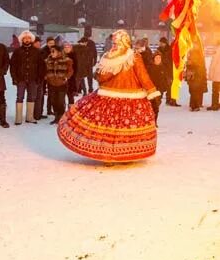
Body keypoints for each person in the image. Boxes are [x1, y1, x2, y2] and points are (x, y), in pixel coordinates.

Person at [57, 29, 160, 162]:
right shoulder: (133, 56)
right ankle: (126, 154)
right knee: (126, 127)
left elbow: (100, 77)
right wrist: (152, 91)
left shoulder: (107, 57)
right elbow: (143, 76)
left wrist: (105, 72)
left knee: (107, 127)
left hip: (107, 97)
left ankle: (108, 156)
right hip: (131, 98)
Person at [10, 30, 42, 125]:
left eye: (28, 38)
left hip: (33, 78)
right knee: (19, 97)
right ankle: (18, 118)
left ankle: (29, 117)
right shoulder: (17, 51)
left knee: (32, 97)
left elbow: (41, 66)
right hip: (21, 78)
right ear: (22, 39)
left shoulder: (37, 51)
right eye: (25, 38)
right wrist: (14, 78)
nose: (27, 40)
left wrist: (39, 78)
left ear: (31, 39)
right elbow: (13, 66)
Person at [44, 44, 73, 124]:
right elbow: (45, 70)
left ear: (59, 52)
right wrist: (47, 77)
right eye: (51, 51)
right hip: (51, 83)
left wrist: (66, 77)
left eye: (54, 51)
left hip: (62, 84)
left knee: (60, 101)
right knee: (53, 101)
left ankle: (62, 117)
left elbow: (70, 71)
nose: (52, 53)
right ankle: (56, 117)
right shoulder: (47, 60)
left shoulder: (66, 60)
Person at [36, 37, 56, 119]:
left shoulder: (55, 50)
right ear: (47, 43)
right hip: (44, 74)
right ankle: (39, 111)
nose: (51, 44)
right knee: (42, 93)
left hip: (52, 74)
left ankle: (49, 109)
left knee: (51, 92)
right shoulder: (43, 51)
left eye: (53, 43)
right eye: (50, 43)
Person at [146, 51, 167, 125]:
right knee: (151, 107)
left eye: (159, 58)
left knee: (156, 107)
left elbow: (165, 79)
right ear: (154, 59)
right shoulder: (150, 67)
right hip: (151, 90)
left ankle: (154, 122)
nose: (158, 59)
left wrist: (164, 88)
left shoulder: (163, 67)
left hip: (159, 91)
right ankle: (150, 122)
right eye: (156, 58)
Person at [185, 46, 207, 111]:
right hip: (196, 75)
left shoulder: (191, 54)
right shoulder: (198, 55)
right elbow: (201, 66)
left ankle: (193, 105)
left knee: (193, 91)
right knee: (195, 91)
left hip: (193, 75)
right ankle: (195, 106)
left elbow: (188, 65)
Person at [157, 37, 177, 106]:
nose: (161, 44)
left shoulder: (170, 50)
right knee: (160, 85)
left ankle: (169, 100)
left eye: (162, 43)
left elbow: (171, 59)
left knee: (169, 85)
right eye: (160, 43)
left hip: (168, 69)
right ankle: (158, 100)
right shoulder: (158, 50)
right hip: (160, 70)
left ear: (165, 43)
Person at [63, 42, 80, 107]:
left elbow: (76, 68)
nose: (67, 49)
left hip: (71, 78)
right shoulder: (61, 56)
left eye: (68, 47)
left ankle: (70, 110)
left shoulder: (73, 56)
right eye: (65, 47)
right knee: (62, 96)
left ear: (71, 48)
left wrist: (72, 76)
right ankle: (62, 109)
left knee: (70, 95)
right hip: (62, 78)